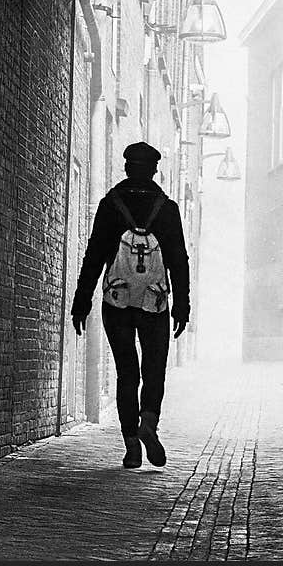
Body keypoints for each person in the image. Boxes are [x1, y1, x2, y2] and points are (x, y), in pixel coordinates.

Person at [71, 142, 190, 469]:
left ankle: (131, 446)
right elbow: (179, 260)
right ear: (154, 171)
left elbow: (94, 255)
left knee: (126, 372)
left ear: (126, 169)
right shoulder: (167, 209)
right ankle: (148, 423)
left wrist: (81, 302)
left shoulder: (111, 205)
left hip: (117, 299)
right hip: (155, 300)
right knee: (154, 370)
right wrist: (182, 305)